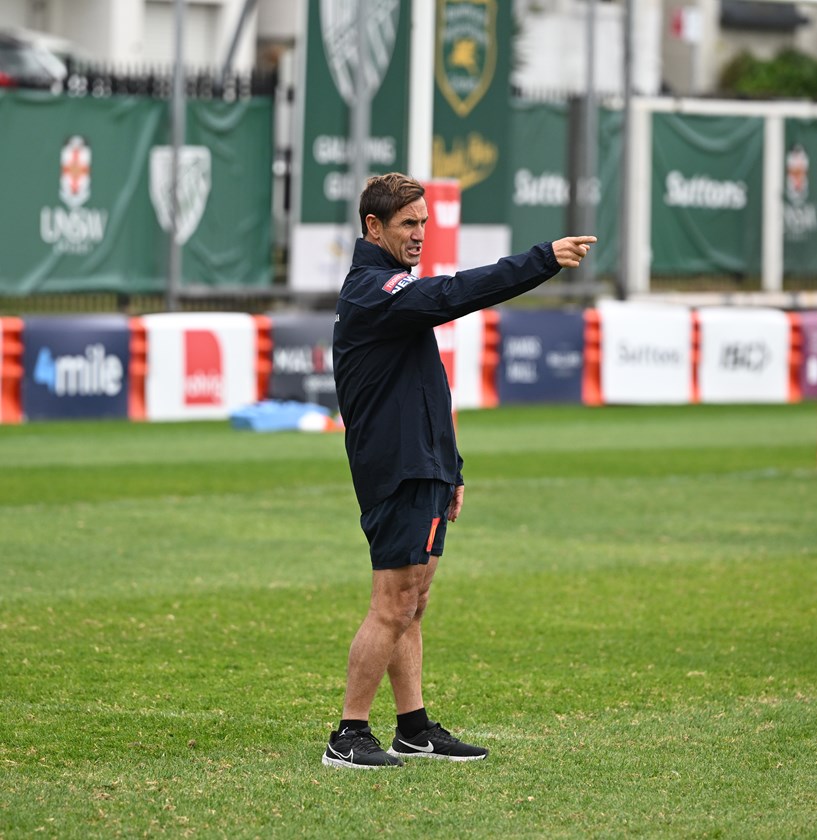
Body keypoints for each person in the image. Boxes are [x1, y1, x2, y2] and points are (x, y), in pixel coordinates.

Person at [323, 172, 595, 769]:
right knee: (392, 602)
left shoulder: (393, 289)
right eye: (407, 225)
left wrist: (453, 468)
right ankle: (348, 733)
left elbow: (426, 389)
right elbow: (453, 295)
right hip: (396, 469)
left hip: (427, 465)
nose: (421, 234)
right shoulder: (372, 289)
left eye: (424, 222)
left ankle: (413, 728)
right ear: (373, 227)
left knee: (413, 602)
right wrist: (541, 260)